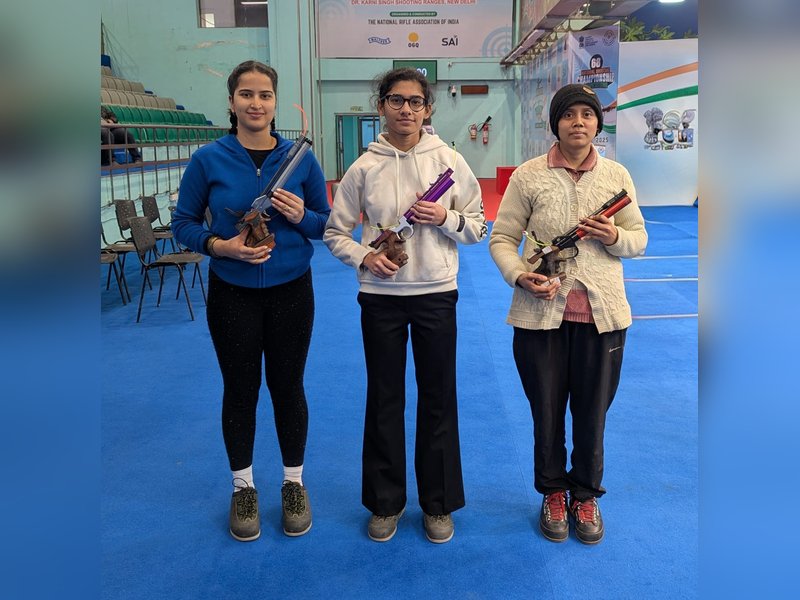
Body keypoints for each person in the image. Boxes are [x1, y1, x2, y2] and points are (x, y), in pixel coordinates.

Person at [324, 68, 487, 544]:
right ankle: (385, 502)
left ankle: (438, 504)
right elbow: (335, 232)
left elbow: (478, 226)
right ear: (381, 106)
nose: (406, 110)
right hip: (381, 300)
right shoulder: (363, 167)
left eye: (416, 101)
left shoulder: (450, 161)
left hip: (436, 293)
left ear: (428, 108)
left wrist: (446, 216)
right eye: (396, 100)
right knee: (384, 399)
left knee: (439, 398)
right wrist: (365, 256)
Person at [171, 60, 330, 541]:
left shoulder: (301, 160)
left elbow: (326, 224)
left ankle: (293, 484)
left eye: (264, 95)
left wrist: (302, 216)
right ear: (231, 101)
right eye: (246, 94)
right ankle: (243, 488)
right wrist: (221, 247)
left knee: (288, 387)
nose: (255, 103)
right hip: (232, 293)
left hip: (291, 291)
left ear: (275, 102)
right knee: (239, 390)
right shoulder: (208, 159)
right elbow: (183, 224)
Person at [488, 83, 647, 545]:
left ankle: (586, 495)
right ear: (555, 123)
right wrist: (519, 275)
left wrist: (614, 237)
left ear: (598, 123)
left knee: (593, 414)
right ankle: (553, 493)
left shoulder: (617, 175)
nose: (579, 122)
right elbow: (503, 238)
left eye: (587, 114)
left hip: (603, 318)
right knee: (547, 412)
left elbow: (638, 239)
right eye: (569, 114)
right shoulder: (528, 176)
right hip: (540, 317)